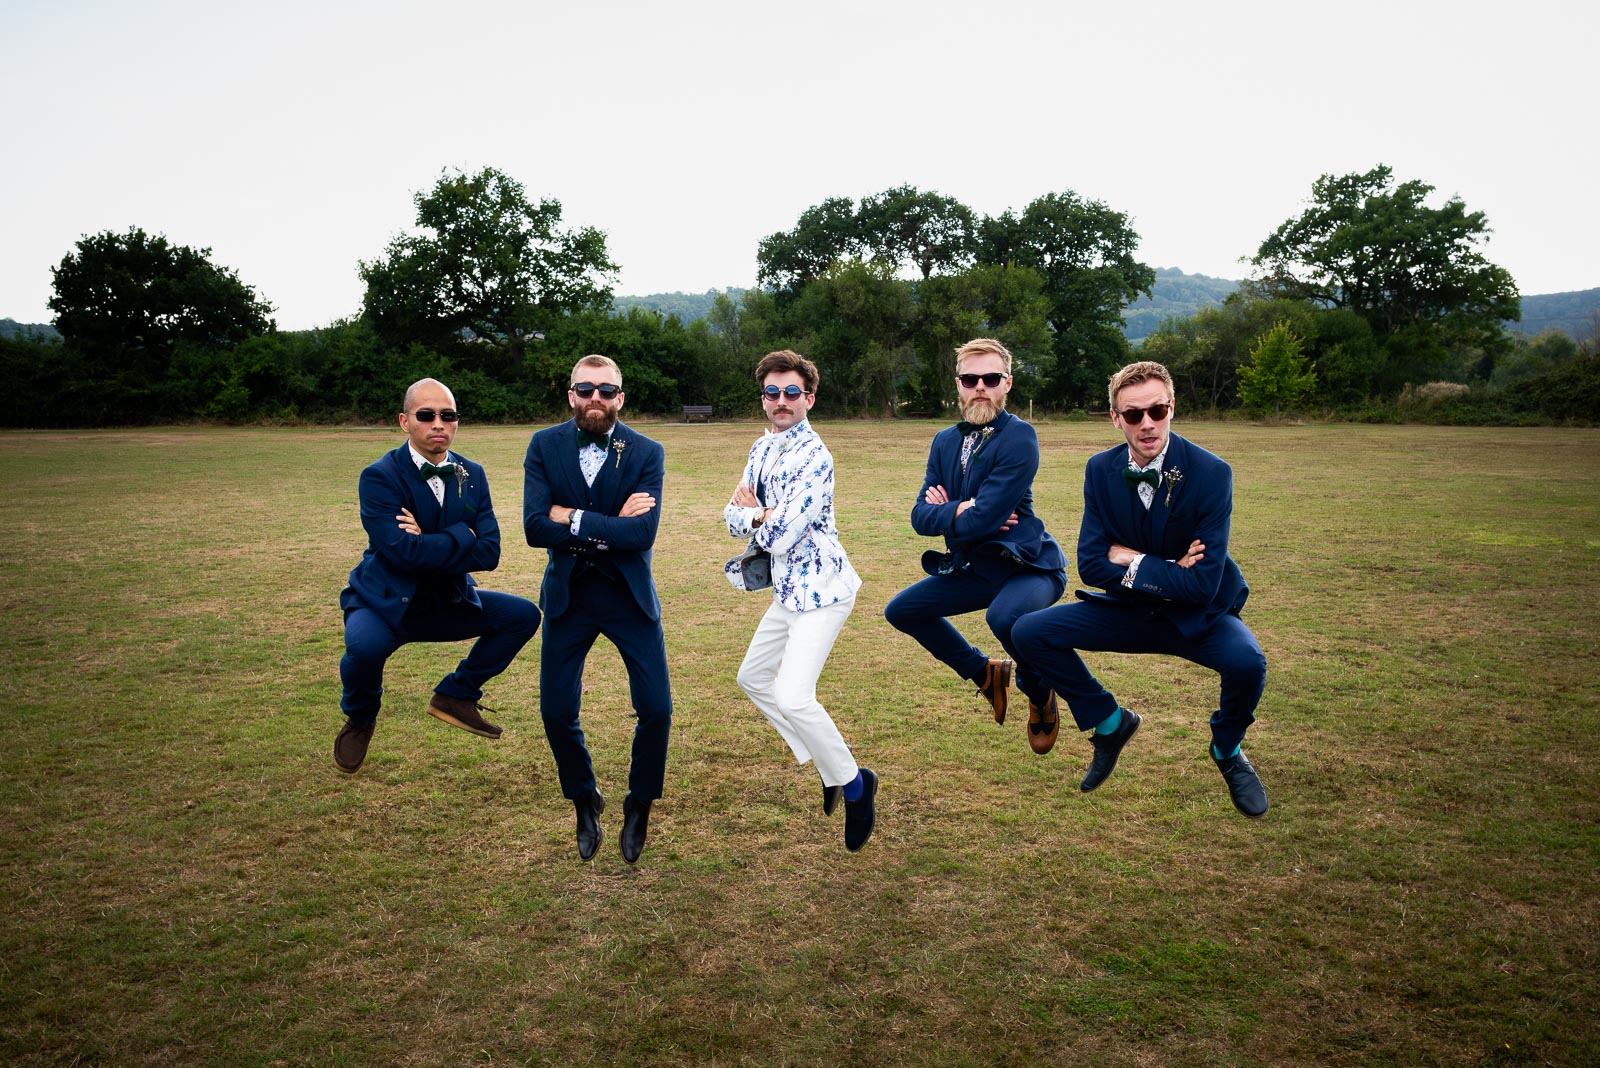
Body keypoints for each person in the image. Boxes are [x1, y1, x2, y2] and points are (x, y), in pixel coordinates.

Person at [1011, 360, 1269, 817]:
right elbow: (1091, 563)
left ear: (1172, 407)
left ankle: (1227, 751)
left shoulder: (1212, 473)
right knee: (1028, 632)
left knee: (1248, 663)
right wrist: (1167, 566)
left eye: (1157, 410)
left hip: (1198, 614)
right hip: (1128, 610)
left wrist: (1130, 557)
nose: (1147, 424)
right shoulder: (1099, 469)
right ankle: (1109, 723)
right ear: (1116, 418)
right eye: (1133, 415)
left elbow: (1203, 582)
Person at [334, 378, 541, 774]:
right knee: (363, 651)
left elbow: (490, 552)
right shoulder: (379, 476)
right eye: (426, 415)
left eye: (448, 416)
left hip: (447, 601)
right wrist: (463, 535)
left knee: (523, 616)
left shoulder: (472, 474)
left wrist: (428, 541)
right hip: (383, 603)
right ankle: (360, 718)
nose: (438, 424)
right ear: (404, 421)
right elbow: (399, 552)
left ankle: (456, 694)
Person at [883, 338, 1068, 754]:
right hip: (976, 567)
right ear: (959, 385)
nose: (980, 386)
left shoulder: (1020, 437)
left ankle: (1040, 697)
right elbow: (919, 517)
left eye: (990, 378)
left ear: (1007, 384)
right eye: (970, 378)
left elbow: (980, 518)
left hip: (1027, 567)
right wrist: (966, 508)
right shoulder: (944, 441)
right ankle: (985, 672)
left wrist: (953, 511)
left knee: (1005, 617)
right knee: (902, 611)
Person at [724, 350, 876, 851]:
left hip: (824, 592)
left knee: (793, 694)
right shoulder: (760, 447)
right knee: (752, 678)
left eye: (792, 392)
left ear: (809, 397)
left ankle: (855, 784)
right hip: (788, 591)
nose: (781, 401)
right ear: (763, 399)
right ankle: (829, 769)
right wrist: (758, 515)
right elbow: (730, 515)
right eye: (773, 392)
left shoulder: (816, 456)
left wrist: (757, 515)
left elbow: (784, 534)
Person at [523, 355, 672, 863]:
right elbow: (533, 528)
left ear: (620, 398)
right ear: (570, 394)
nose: (595, 399)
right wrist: (610, 524)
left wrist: (573, 518)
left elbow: (642, 534)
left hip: (628, 597)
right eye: (586, 389)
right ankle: (584, 798)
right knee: (556, 711)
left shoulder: (647, 452)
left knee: (657, 708)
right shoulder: (544, 446)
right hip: (569, 596)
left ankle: (640, 802)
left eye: (606, 391)